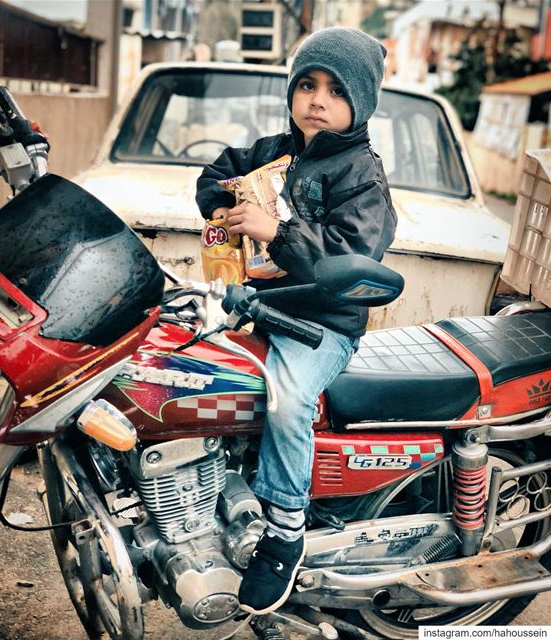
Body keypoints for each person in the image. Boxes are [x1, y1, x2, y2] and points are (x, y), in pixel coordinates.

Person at [195, 27, 397, 615]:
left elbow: (350, 257)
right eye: (307, 84)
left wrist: (276, 232)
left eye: (336, 91)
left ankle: (285, 529)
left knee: (286, 397)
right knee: (192, 368)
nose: (317, 99)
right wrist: (223, 203)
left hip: (324, 325)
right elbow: (214, 173)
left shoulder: (362, 176)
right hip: (259, 307)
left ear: (359, 104)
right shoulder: (270, 151)